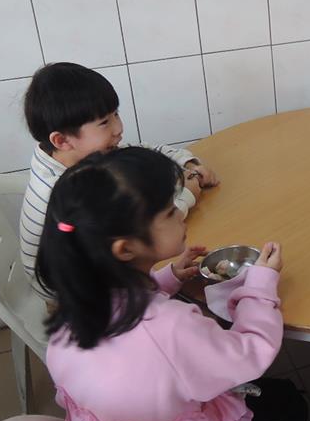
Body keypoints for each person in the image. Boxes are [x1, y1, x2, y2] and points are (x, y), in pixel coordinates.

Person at [38, 147, 310, 421]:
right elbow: (251, 353)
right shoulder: (171, 327)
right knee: (284, 398)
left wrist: (167, 279)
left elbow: (132, 326)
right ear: (125, 248)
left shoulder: (72, 307)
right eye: (168, 212)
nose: (181, 214)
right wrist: (261, 285)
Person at [19, 62, 217, 298]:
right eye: (104, 122)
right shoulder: (65, 194)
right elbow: (139, 230)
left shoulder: (81, 154)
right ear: (62, 140)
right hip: (81, 299)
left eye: (116, 114)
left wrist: (189, 164)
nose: (118, 129)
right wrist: (187, 196)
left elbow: (147, 151)